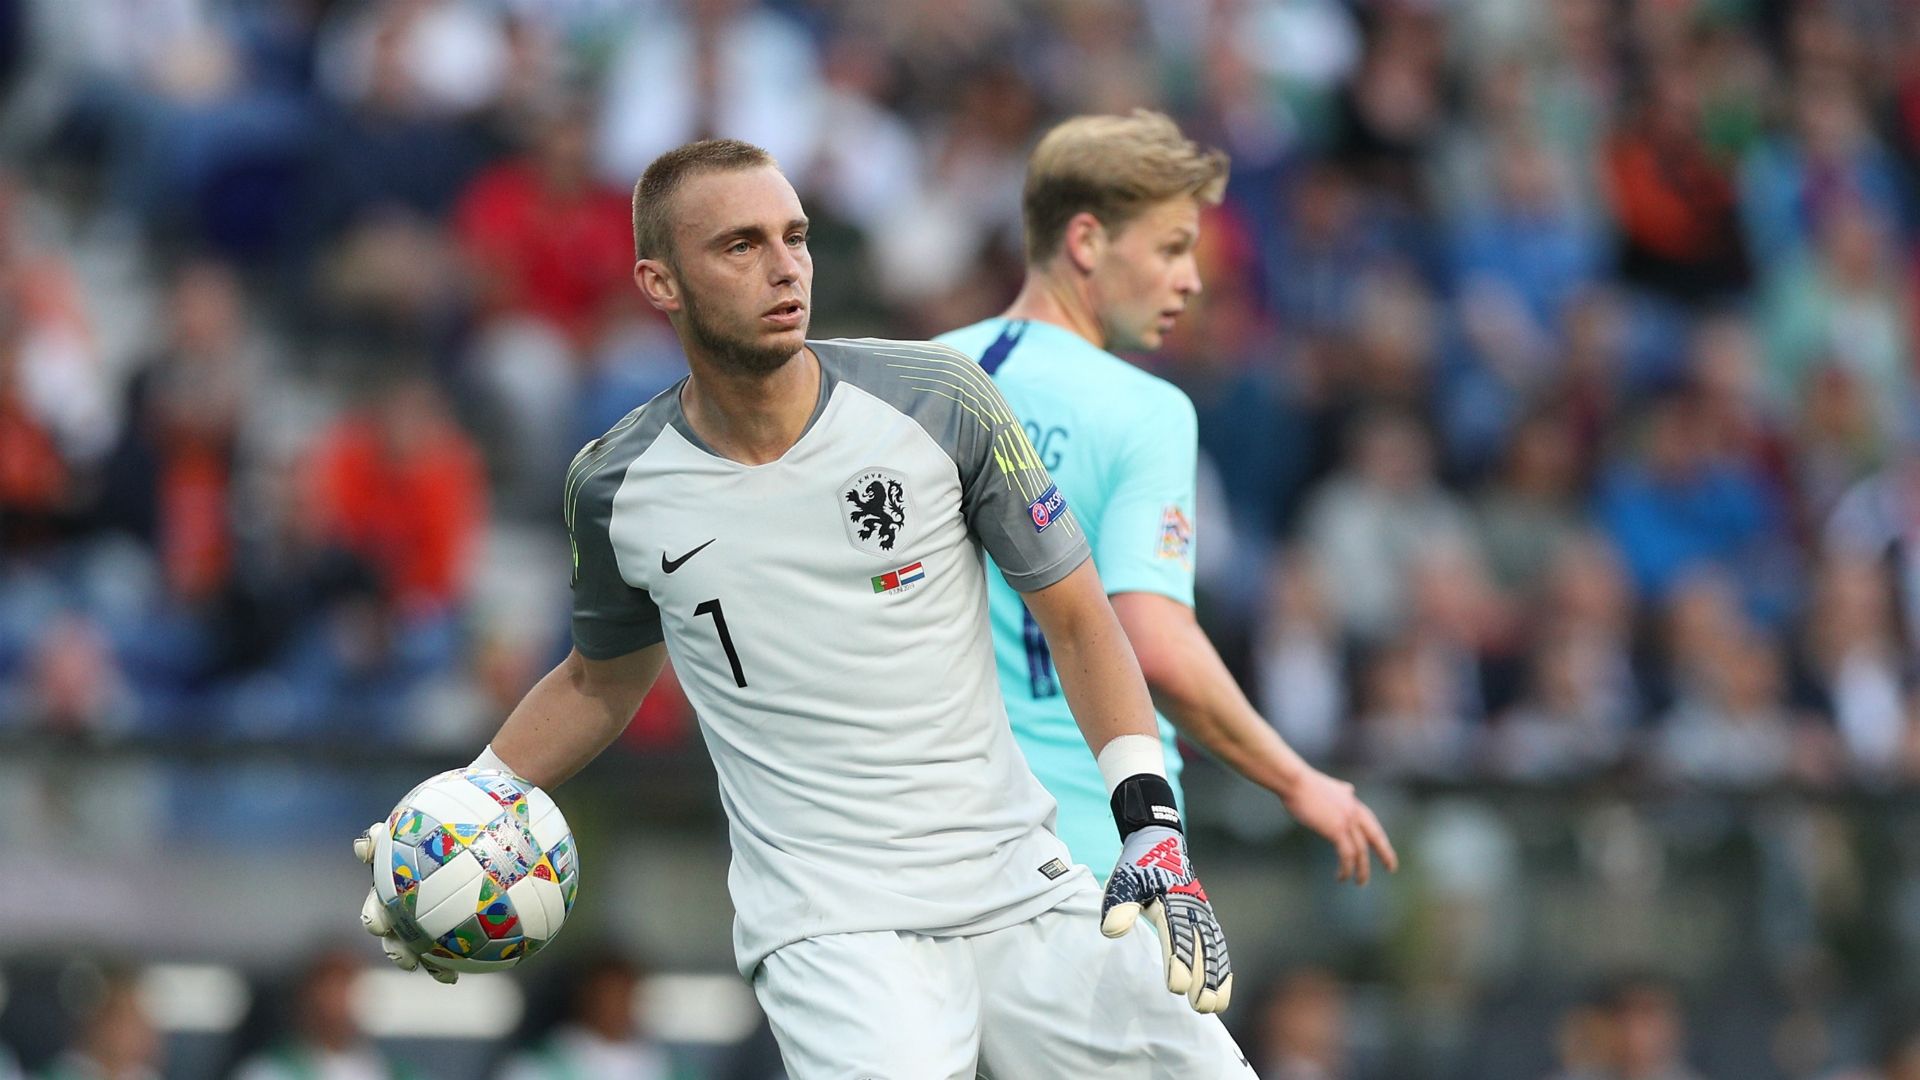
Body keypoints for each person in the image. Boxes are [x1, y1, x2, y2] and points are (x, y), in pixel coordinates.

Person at [356, 139, 1253, 1076]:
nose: (784, 267)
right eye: (740, 245)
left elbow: (1078, 616)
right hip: (832, 927)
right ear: (660, 283)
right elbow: (599, 678)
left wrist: (1148, 822)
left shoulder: (939, 401)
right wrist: (469, 805)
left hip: (1020, 882)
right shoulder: (614, 484)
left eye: (796, 237)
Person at [937, 110, 1398, 883]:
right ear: (1086, 242)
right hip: (1092, 842)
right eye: (1172, 248)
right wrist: (1298, 778)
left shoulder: (926, 375)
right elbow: (1157, 646)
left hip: (936, 835)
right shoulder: (1145, 410)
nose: (1191, 279)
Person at [228, 949, 415, 1080]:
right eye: (331, 990)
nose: (340, 1002)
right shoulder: (266, 1073)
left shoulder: (393, 1073)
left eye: (348, 987)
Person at [497, 954, 682, 1080]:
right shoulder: (537, 1066)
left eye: (625, 994)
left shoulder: (669, 1068)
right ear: (587, 997)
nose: (618, 1006)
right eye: (609, 995)